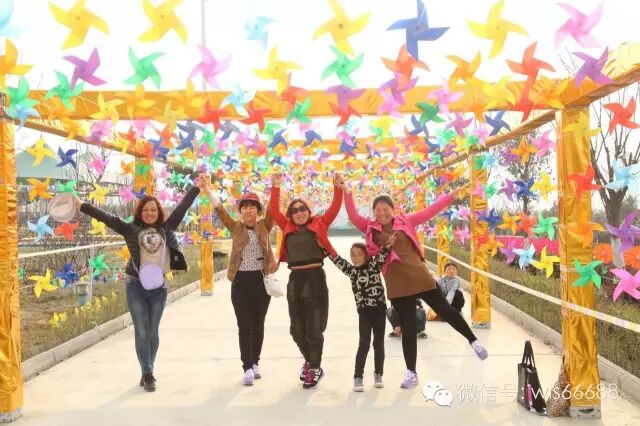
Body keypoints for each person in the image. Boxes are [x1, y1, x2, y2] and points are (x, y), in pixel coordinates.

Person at [342, 183, 488, 390]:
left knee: (445, 310)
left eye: (385, 209)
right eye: (378, 210)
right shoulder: (370, 227)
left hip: (420, 276)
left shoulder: (406, 220)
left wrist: (450, 196)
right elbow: (352, 214)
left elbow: (430, 211)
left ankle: (474, 341)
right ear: (374, 213)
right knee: (408, 328)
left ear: (393, 210)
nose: (382, 214)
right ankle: (412, 373)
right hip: (397, 283)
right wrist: (347, 192)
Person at [74, 177, 203, 392]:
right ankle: (148, 373)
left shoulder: (166, 228)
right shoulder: (130, 229)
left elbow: (182, 207)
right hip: (135, 285)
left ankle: (148, 367)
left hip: (159, 287)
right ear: (140, 212)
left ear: (158, 212)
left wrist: (197, 187)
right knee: (142, 331)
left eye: (153, 210)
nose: (150, 213)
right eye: (146, 210)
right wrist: (82, 206)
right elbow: (107, 217)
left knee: (153, 331)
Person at [269, 172, 343, 389]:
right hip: (296, 280)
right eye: (294, 210)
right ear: (290, 215)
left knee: (314, 328)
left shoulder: (319, 223)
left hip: (315, 278)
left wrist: (337, 188)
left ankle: (315, 367)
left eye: (303, 209)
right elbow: (274, 210)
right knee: (296, 329)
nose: (299, 213)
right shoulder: (287, 226)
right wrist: (275, 187)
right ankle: (310, 361)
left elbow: (334, 208)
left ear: (309, 212)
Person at [202, 181, 277, 386]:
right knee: (244, 325)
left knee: (258, 325)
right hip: (241, 282)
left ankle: (256, 362)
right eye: (245, 207)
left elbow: (273, 210)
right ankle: (247, 367)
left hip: (261, 281)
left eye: (252, 206)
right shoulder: (235, 227)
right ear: (241, 211)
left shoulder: (265, 226)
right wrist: (207, 190)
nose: (248, 210)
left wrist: (276, 187)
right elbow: (220, 210)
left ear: (257, 211)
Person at [327, 234, 396, 392]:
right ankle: (358, 377)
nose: (356, 257)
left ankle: (378, 374)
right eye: (353, 255)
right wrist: (324, 246)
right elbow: (336, 259)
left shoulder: (374, 266)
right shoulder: (351, 271)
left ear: (366, 255)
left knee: (378, 343)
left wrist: (389, 243)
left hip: (379, 311)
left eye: (359, 254)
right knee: (364, 343)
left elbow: (384, 252)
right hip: (364, 313)